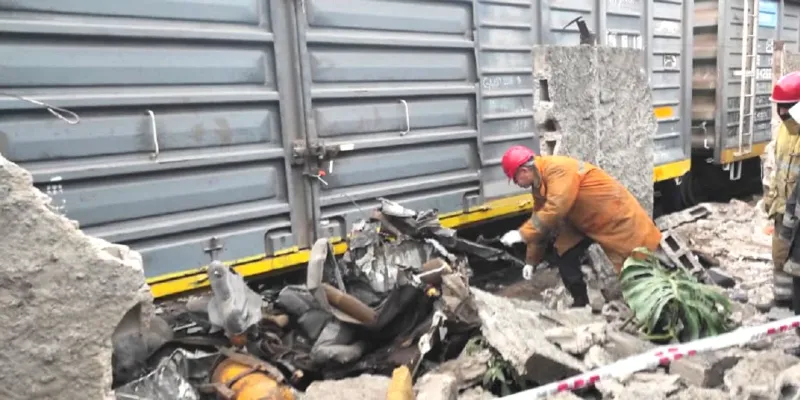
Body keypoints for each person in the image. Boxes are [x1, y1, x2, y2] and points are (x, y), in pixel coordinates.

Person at [497, 145, 662, 307]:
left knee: (637, 258)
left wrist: (522, 234)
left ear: (524, 171)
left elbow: (556, 207)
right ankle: (580, 304)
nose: (516, 183)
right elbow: (542, 221)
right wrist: (531, 261)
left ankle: (653, 302)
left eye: (515, 178)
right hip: (582, 221)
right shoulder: (538, 185)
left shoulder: (557, 169)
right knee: (563, 252)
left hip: (612, 214)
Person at [764, 71, 800, 309]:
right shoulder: (783, 131)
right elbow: (775, 168)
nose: (782, 112)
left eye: (788, 107)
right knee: (780, 256)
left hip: (797, 214)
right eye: (780, 106)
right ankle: (782, 301)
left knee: (796, 265)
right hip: (782, 209)